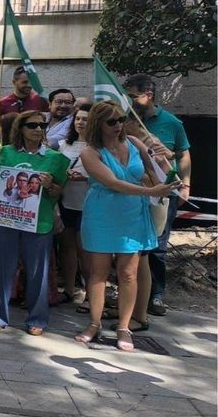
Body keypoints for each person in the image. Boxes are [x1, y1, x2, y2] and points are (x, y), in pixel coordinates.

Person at [74, 101, 179, 351]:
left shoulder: (134, 142)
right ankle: (94, 322)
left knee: (129, 273)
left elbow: (162, 170)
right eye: (111, 121)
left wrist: (165, 159)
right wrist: (150, 190)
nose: (118, 125)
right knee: (98, 272)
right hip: (103, 213)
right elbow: (112, 183)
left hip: (133, 214)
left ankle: (124, 326)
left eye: (121, 119)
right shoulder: (89, 152)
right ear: (98, 123)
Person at [0, 110, 69, 335]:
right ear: (21, 128)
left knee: (37, 271)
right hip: (4, 218)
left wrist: (50, 185)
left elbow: (58, 193)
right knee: (1, 267)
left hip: (39, 221)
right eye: (32, 125)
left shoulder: (55, 158)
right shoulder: (4, 152)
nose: (38, 129)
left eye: (42, 125)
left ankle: (37, 319)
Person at [124, 74, 192, 317]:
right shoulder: (125, 120)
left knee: (157, 247)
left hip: (163, 192)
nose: (128, 101)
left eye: (132, 96)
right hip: (133, 192)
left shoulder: (171, 122)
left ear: (148, 95)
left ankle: (156, 295)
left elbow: (183, 154)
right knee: (132, 247)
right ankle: (131, 297)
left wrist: (185, 184)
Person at [57, 104, 92, 306]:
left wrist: (84, 178)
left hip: (87, 205)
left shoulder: (98, 147)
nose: (80, 122)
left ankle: (89, 292)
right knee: (67, 248)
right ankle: (69, 289)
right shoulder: (64, 145)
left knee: (85, 251)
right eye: (78, 118)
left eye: (85, 119)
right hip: (66, 202)